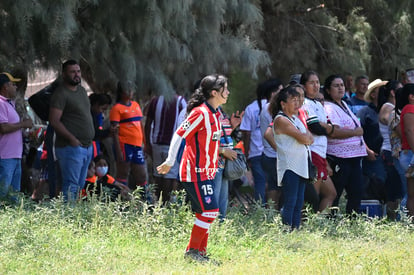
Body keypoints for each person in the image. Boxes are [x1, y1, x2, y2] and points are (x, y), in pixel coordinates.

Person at [157, 74, 229, 262]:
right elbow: (179, 134)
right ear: (214, 92)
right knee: (210, 212)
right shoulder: (200, 112)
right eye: (225, 89)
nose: (228, 92)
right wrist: (170, 161)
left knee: (205, 213)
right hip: (194, 173)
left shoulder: (216, 113)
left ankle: (199, 253)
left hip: (208, 172)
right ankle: (192, 253)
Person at [268, 85, 314, 229]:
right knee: (291, 201)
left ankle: (295, 229)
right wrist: (305, 137)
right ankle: (287, 231)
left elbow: (310, 137)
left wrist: (305, 137)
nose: (297, 103)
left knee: (299, 201)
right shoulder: (281, 119)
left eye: (298, 100)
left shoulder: (295, 119)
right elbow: (304, 138)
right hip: (290, 166)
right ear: (283, 103)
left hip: (301, 165)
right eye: (293, 100)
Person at [49, 60, 95, 202]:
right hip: (70, 147)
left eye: (78, 71)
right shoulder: (61, 94)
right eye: (72, 72)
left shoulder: (81, 91)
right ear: (64, 74)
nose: (76, 75)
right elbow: (54, 120)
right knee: (71, 185)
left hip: (87, 146)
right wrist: (71, 138)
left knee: (80, 185)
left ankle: (73, 216)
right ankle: (68, 218)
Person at [323, 75, 367, 215]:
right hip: (340, 157)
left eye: (342, 85)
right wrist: (355, 132)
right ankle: (331, 223)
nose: (341, 88)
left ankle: (353, 223)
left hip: (355, 156)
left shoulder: (345, 104)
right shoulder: (329, 107)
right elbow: (334, 132)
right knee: (337, 192)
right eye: (336, 86)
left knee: (357, 192)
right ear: (328, 90)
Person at [300, 71, 337, 212]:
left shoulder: (318, 104)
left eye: (317, 82)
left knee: (330, 193)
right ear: (304, 86)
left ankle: (318, 224)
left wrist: (327, 127)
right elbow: (315, 127)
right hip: (312, 152)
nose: (316, 86)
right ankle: (304, 227)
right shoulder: (305, 103)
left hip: (321, 153)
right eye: (311, 82)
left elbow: (328, 125)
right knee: (311, 197)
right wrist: (328, 128)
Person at [110, 81, 151, 203]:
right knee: (123, 173)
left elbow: (140, 125)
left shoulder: (136, 105)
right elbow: (114, 132)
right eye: (128, 90)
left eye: (132, 89)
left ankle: (145, 199)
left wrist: (145, 144)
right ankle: (121, 201)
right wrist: (118, 151)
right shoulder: (117, 109)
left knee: (142, 175)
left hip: (137, 146)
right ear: (122, 92)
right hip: (124, 145)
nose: (131, 92)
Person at [144, 94, 187, 204]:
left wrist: (148, 143)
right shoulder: (180, 101)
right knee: (170, 176)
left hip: (157, 143)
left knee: (158, 174)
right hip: (173, 145)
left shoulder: (155, 100)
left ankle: (158, 200)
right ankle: (165, 203)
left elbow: (147, 123)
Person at [0, 72, 33, 202]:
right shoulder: (1, 104)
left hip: (14, 155)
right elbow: (3, 127)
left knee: (14, 194)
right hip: (5, 156)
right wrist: (23, 124)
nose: (16, 87)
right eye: (13, 84)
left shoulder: (9, 104)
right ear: (5, 87)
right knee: (3, 192)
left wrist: (25, 132)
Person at [240, 80, 272, 203]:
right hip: (270, 150)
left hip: (255, 152)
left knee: (259, 181)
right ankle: (273, 209)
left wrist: (247, 151)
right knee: (273, 182)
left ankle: (260, 209)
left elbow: (246, 132)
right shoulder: (273, 106)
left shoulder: (250, 108)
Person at [377, 80, 404, 219]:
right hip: (389, 151)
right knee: (396, 189)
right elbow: (386, 118)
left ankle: (395, 219)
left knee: (397, 188)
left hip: (393, 152)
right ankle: (394, 219)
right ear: (393, 92)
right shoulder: (388, 106)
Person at [259, 78, 283, 209]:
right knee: (274, 188)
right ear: (272, 93)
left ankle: (272, 216)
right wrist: (281, 151)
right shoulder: (269, 108)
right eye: (280, 90)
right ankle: (271, 216)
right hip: (272, 155)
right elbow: (269, 133)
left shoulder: (268, 107)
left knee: (275, 187)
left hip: (271, 154)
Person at [396, 83, 414, 217]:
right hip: (411, 153)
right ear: (411, 97)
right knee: (411, 194)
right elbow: (409, 131)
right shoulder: (409, 108)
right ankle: (409, 222)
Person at [89, 93, 112, 157]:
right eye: (102, 109)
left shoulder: (98, 115)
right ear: (96, 104)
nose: (102, 112)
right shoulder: (91, 116)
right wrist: (108, 132)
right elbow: (95, 133)